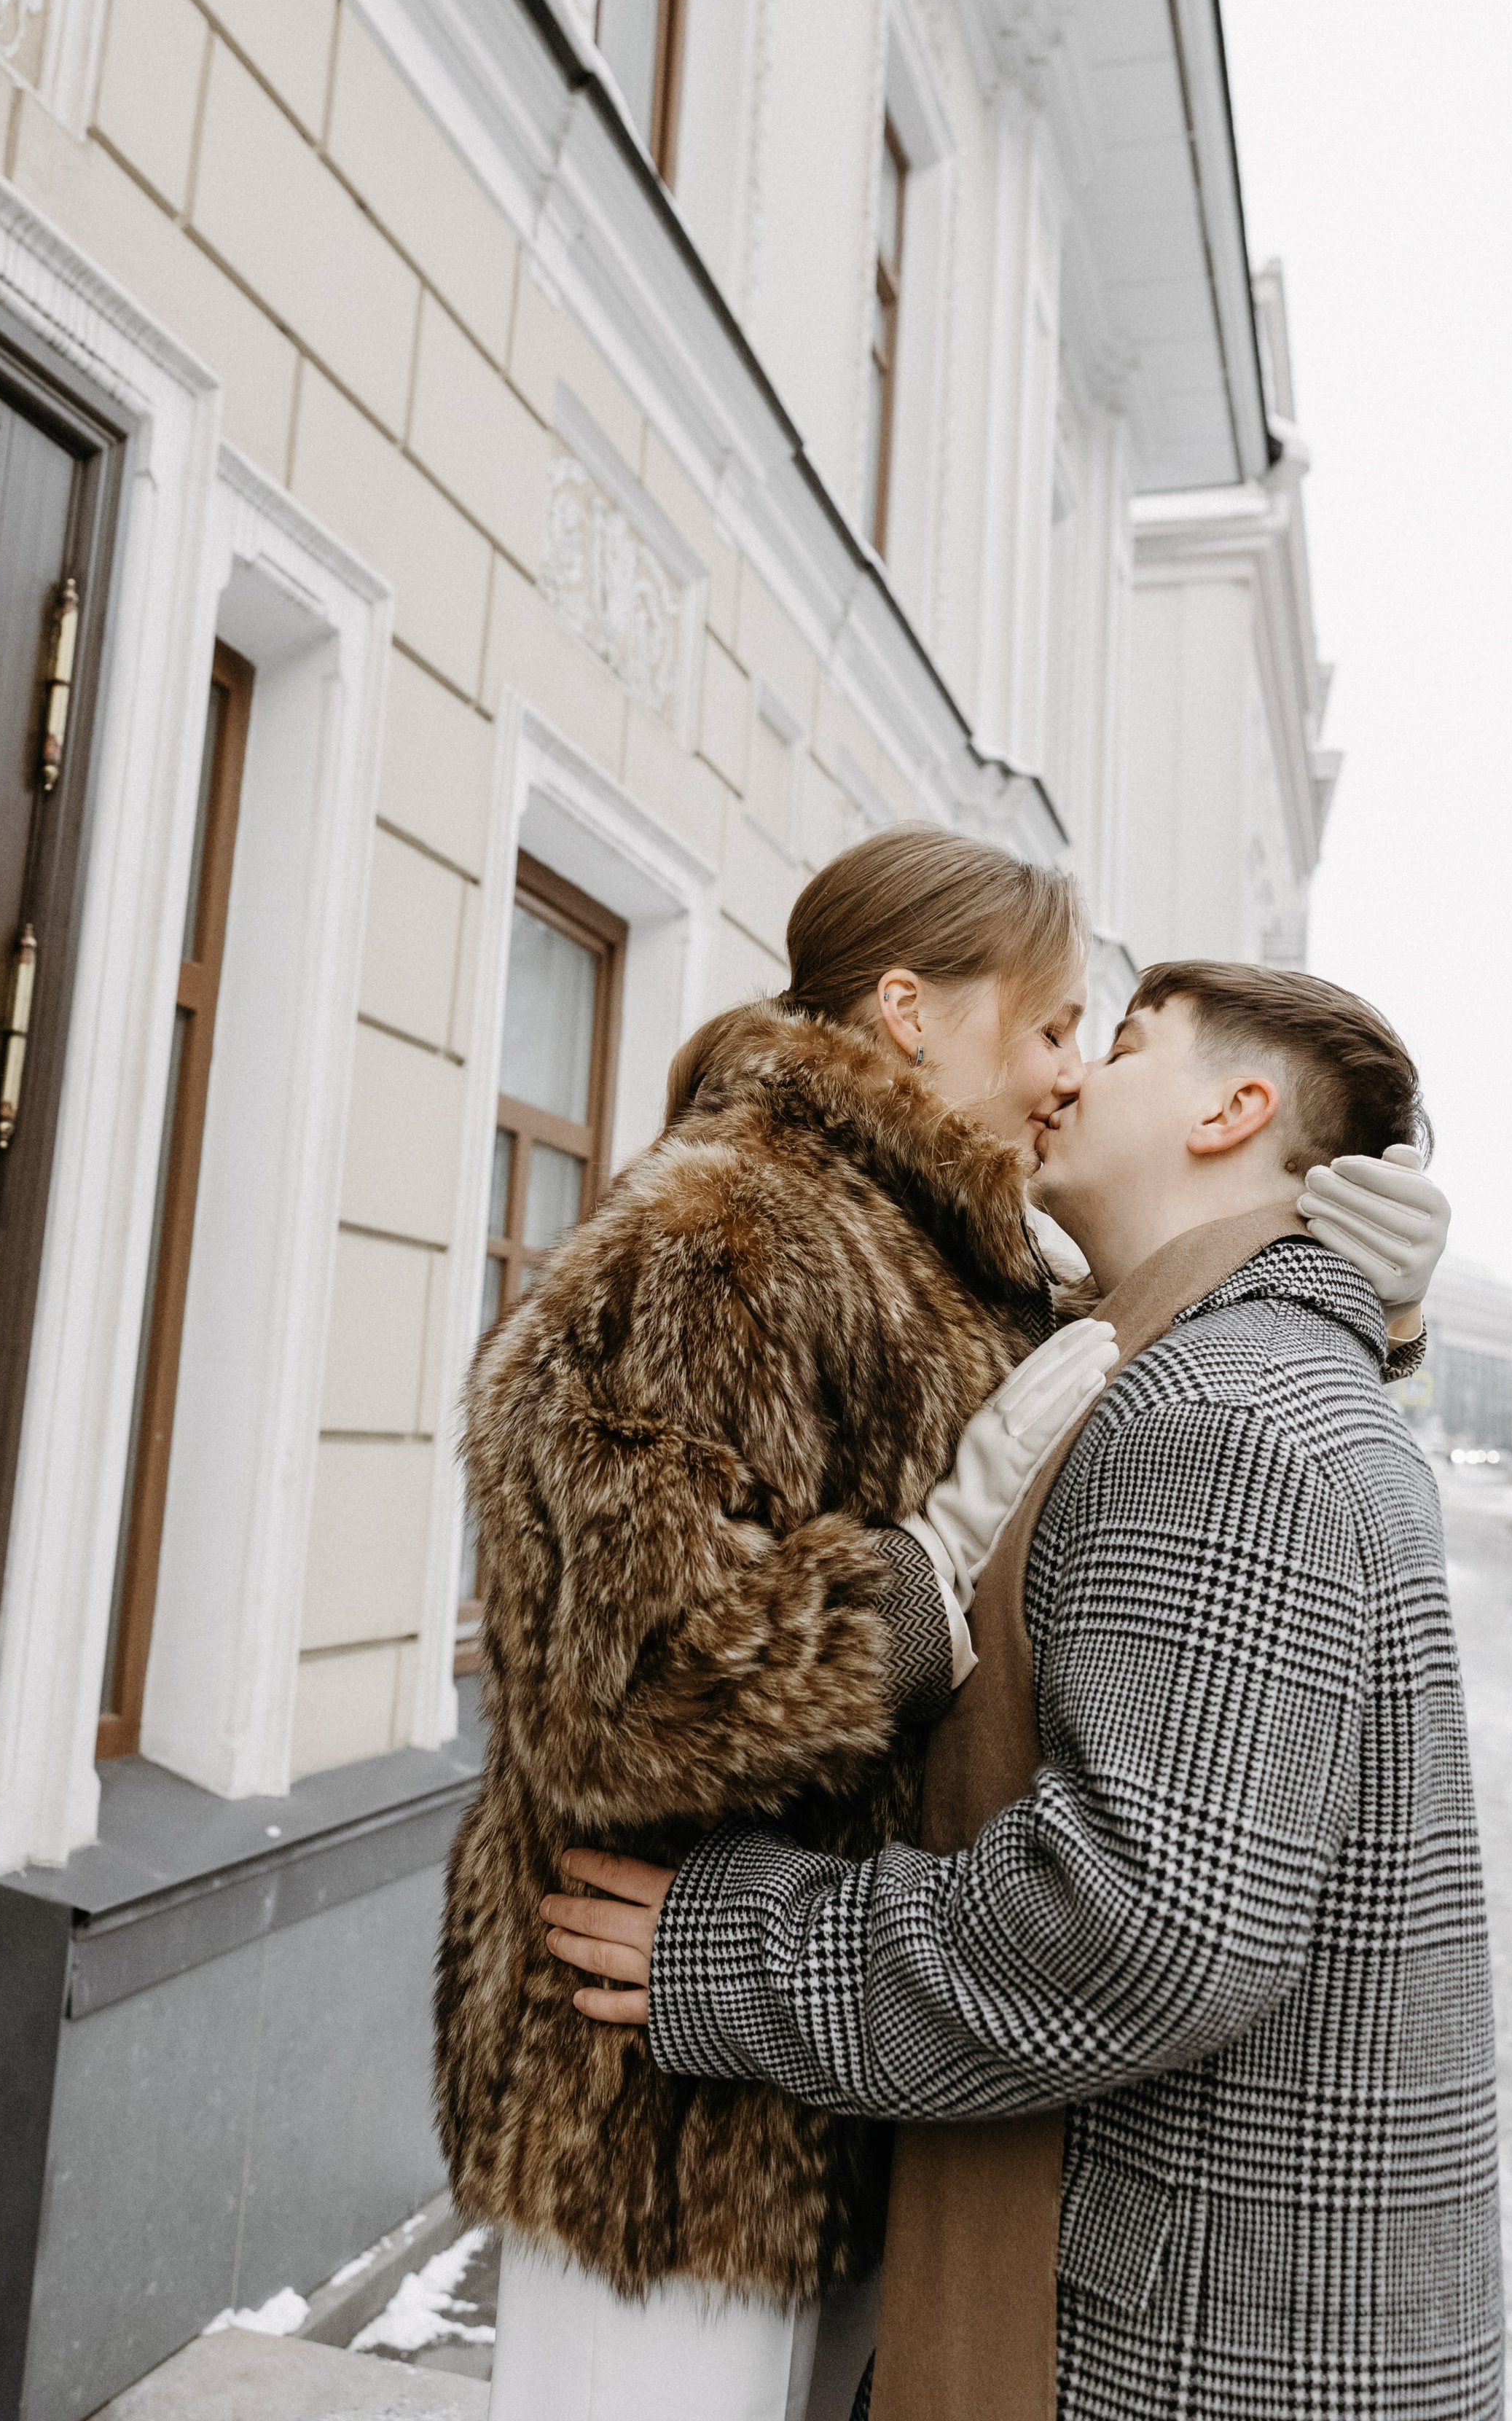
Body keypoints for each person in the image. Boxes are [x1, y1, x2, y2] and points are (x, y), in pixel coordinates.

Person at [542, 962, 1497, 2421]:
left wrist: (725, 1950)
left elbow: (1136, 1926)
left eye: (1115, 1044)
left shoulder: (1221, 1416)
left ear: (1230, 1110)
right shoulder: (1223, 1373)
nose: (1067, 1078)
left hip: (1185, 2351)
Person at [439, 826, 1117, 2421]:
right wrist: (914, 1586)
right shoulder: (719, 1237)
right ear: (906, 1010)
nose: (1070, 1074)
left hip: (851, 2071)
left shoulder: (978, 1268)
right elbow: (608, 1688)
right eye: (1050, 1024)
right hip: (660, 2133)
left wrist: (1339, 1285)